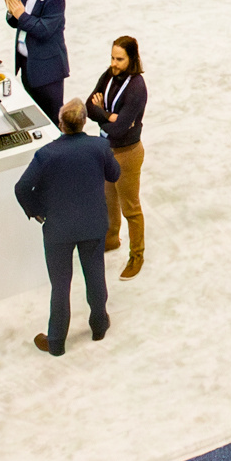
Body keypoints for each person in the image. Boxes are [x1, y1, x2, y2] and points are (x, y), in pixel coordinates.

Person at [13, 98, 120, 356]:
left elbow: (22, 187)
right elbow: (114, 174)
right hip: (93, 224)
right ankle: (99, 324)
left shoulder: (47, 154)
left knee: (60, 285)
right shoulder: (99, 146)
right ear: (84, 122)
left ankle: (57, 341)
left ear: (60, 124)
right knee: (95, 275)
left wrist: (38, 211)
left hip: (58, 229)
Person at [89, 35, 148, 278]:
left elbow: (121, 127)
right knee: (107, 199)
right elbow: (89, 105)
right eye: (112, 57)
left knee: (130, 208)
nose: (114, 63)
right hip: (107, 149)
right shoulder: (110, 74)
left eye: (119, 59)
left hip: (127, 153)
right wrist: (107, 114)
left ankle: (137, 255)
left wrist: (106, 116)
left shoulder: (136, 87)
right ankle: (111, 239)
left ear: (132, 59)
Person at [4, 0, 69, 126]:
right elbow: (16, 22)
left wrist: (21, 15)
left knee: (52, 118)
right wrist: (11, 11)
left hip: (47, 70)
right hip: (28, 65)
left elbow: (43, 30)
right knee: (33, 115)